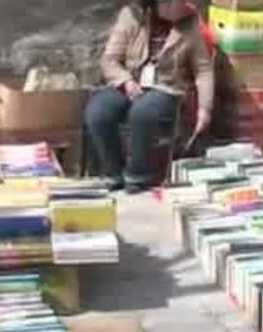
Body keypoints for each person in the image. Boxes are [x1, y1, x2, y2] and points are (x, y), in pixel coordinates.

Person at [85, 0, 214, 193]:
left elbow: (203, 70)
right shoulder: (131, 17)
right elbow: (109, 59)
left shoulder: (190, 23)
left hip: (166, 88)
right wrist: (126, 81)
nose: (183, 5)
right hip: (129, 81)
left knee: (143, 112)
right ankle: (112, 172)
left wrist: (205, 108)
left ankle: (138, 176)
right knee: (98, 111)